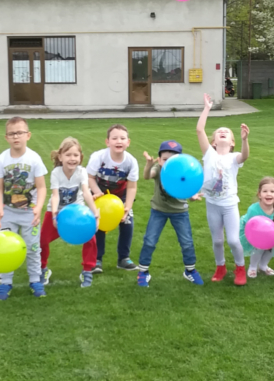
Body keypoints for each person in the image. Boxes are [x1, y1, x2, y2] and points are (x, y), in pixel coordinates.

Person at [197, 93, 250, 286]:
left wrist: (245, 140)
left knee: (234, 241)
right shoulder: (208, 154)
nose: (222, 132)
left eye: (226, 132)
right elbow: (199, 130)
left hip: (229, 205)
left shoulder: (234, 157)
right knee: (218, 241)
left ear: (232, 142)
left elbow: (245, 156)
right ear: (213, 142)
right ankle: (220, 267)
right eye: (219, 131)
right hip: (212, 204)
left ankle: (240, 268)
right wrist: (207, 109)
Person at [0, 116, 48, 300]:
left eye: (19, 133)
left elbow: (41, 187)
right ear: (6, 137)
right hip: (8, 212)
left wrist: (38, 207)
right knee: (6, 248)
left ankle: (35, 280)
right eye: (12, 134)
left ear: (28, 135)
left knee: (32, 247)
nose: (16, 137)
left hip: (29, 213)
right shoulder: (1, 160)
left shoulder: (34, 159)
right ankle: (5, 282)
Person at [136, 141, 204, 287]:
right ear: (159, 160)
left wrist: (193, 196)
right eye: (165, 159)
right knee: (150, 240)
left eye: (172, 159)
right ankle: (143, 272)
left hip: (180, 212)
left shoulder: (184, 170)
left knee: (186, 242)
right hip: (158, 211)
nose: (168, 162)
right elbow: (147, 176)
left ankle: (190, 270)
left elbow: (187, 188)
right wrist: (148, 165)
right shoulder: (158, 169)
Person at [41, 137, 100, 288]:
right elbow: (55, 196)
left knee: (91, 239)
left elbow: (86, 193)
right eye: (68, 155)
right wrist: (54, 215)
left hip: (77, 212)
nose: (72, 158)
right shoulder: (56, 173)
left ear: (80, 157)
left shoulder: (82, 172)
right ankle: (42, 269)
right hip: (57, 211)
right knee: (42, 241)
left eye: (76, 155)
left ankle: (87, 270)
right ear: (60, 157)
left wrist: (95, 213)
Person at [87, 124, 139, 272]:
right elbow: (90, 178)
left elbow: (132, 187)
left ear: (128, 142)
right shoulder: (98, 157)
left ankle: (123, 258)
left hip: (120, 196)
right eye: (114, 138)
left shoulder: (131, 161)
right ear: (107, 142)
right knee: (98, 225)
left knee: (127, 223)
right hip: (99, 193)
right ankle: (97, 259)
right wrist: (99, 195)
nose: (118, 141)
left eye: (122, 138)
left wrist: (127, 206)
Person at [239, 177, 274, 278]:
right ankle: (253, 267)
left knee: (271, 248)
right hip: (250, 231)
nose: (268, 194)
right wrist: (259, 239)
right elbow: (249, 227)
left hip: (266, 232)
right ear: (259, 194)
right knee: (259, 247)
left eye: (272, 191)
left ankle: (263, 266)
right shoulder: (253, 210)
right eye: (265, 191)